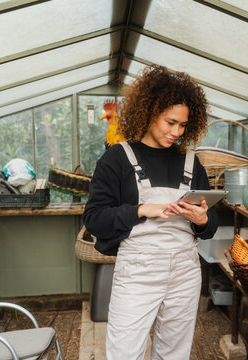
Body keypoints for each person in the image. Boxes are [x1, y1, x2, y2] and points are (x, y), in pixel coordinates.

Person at [83, 64, 218, 359]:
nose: (176, 132)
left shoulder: (191, 163)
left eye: (183, 125)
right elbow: (94, 219)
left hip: (184, 270)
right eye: (170, 122)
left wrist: (202, 219)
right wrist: (142, 209)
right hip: (138, 271)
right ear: (149, 111)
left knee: (174, 353)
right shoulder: (117, 159)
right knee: (124, 351)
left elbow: (210, 227)